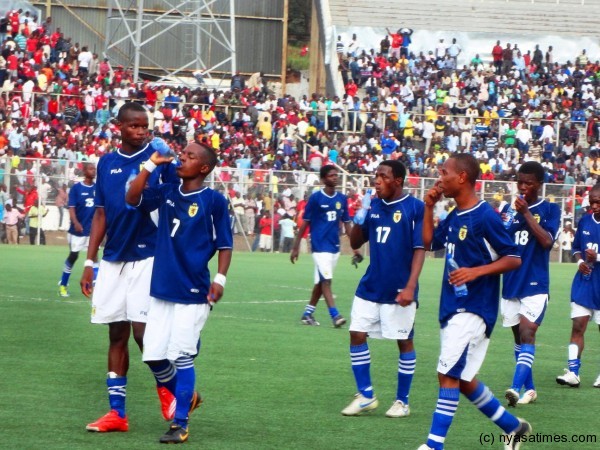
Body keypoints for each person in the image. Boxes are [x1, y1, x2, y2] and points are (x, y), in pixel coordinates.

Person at [418, 154, 530, 450]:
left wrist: (476, 271)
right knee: (464, 380)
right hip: (452, 307)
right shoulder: (455, 214)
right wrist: (429, 206)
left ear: (462, 177)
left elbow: (514, 257)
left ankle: (433, 445)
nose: (439, 178)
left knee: (446, 374)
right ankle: (513, 427)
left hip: (474, 309)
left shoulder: (485, 216)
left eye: (444, 173)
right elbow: (430, 242)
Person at [80, 102, 179, 432]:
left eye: (144, 126)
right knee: (116, 334)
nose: (140, 131)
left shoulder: (159, 158)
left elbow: (173, 192)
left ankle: (172, 390)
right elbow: (100, 214)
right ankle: (117, 414)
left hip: (149, 255)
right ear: (118, 127)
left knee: (143, 334)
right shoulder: (107, 162)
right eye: (134, 126)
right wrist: (90, 261)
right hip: (113, 259)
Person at [125, 142, 232, 444]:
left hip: (193, 291)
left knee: (181, 356)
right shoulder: (168, 192)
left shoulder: (214, 201)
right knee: (153, 357)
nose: (182, 157)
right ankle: (190, 396)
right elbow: (132, 198)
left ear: (204, 168)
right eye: (182, 153)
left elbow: (225, 244)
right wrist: (150, 165)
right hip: (161, 291)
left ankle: (180, 423)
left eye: (190, 156)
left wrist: (220, 279)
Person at [341, 161, 425, 418]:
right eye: (376, 175)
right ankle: (366, 395)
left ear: (397, 181)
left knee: (404, 340)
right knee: (356, 333)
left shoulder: (415, 208)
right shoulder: (374, 204)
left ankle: (402, 402)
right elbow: (356, 241)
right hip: (371, 284)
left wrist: (411, 286)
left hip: (399, 289)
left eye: (382, 176)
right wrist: (361, 213)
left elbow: (419, 249)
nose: (376, 180)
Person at [500, 161, 560, 407]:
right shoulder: (508, 211)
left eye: (529, 183)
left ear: (539, 184)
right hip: (511, 282)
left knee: (528, 332)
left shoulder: (550, 209)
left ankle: (515, 388)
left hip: (535, 282)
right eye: (520, 182)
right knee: (518, 338)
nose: (523, 187)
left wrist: (526, 213)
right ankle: (530, 389)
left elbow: (547, 242)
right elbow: (500, 243)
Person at [290, 165, 358, 327]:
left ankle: (307, 314)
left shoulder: (341, 199)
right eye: (331, 175)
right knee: (326, 280)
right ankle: (335, 315)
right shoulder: (316, 198)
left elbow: (347, 225)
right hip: (319, 247)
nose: (335, 177)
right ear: (323, 179)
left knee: (321, 283)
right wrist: (295, 246)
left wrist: (355, 247)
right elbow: (305, 223)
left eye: (336, 175)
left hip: (334, 247)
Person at [556, 183, 600, 389]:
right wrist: (580, 261)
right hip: (584, 283)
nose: (595, 206)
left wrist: (597, 257)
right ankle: (573, 372)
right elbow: (575, 248)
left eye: (598, 202)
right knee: (577, 326)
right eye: (592, 202)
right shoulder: (584, 222)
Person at [58, 163, 96, 297]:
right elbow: (72, 207)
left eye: (94, 169)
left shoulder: (98, 188)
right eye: (91, 169)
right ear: (84, 171)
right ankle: (63, 284)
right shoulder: (76, 188)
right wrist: (76, 222)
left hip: (92, 231)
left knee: (94, 258)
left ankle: (96, 288)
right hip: (77, 231)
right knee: (73, 256)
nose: (93, 171)